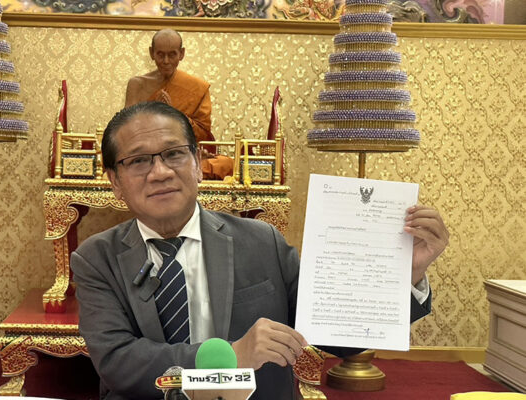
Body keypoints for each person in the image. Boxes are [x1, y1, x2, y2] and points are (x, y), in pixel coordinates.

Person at [70, 102, 450, 400]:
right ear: (115, 181)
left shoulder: (261, 240)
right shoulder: (96, 258)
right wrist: (230, 357)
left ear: (198, 164)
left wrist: (405, 275)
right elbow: (118, 362)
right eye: (138, 160)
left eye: (174, 154)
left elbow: (338, 335)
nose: (160, 172)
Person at [124, 29, 232, 180]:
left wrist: (174, 114)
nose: (166, 61)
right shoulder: (137, 84)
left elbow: (202, 133)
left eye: (172, 54)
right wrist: (155, 113)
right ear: (151, 53)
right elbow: (128, 131)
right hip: (147, 154)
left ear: (181, 54)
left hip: (179, 153)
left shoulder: (196, 87)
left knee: (226, 164)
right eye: (160, 54)